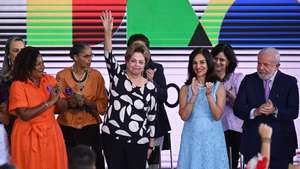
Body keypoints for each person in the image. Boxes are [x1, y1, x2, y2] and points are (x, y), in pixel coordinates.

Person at [101, 11, 157, 169]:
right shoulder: (118, 77)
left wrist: (151, 145)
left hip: (139, 142)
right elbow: (108, 55)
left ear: (145, 63)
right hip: (112, 139)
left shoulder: (150, 87)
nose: (137, 64)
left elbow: (151, 118)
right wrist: (107, 32)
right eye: (133, 60)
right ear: (127, 61)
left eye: (141, 61)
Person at [234, 47, 299, 169]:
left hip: (282, 144)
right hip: (253, 142)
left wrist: (275, 110)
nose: (260, 68)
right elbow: (238, 108)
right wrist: (255, 111)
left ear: (277, 66)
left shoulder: (289, 82)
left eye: (265, 64)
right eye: (258, 63)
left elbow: (293, 112)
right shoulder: (248, 80)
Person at [8, 46, 68, 169]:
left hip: (51, 133)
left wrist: (59, 99)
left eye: (43, 63)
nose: (43, 67)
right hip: (27, 136)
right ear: (28, 68)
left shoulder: (49, 80)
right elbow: (24, 115)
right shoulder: (18, 86)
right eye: (38, 64)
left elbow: (61, 108)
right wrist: (49, 102)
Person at [122, 34, 171, 169]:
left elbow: (163, 97)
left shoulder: (157, 68)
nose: (140, 51)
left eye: (143, 48)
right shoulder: (121, 70)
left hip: (155, 127)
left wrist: (152, 82)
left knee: (153, 166)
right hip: (128, 127)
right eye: (135, 47)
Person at [56, 43, 108, 169]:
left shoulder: (97, 76)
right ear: (75, 57)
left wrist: (87, 102)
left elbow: (103, 105)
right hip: (67, 127)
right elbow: (56, 104)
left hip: (90, 126)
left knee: (96, 160)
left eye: (91, 56)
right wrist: (70, 102)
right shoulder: (62, 75)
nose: (90, 59)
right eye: (86, 56)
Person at [177, 47, 228, 169]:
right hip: (191, 139)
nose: (198, 66)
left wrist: (209, 95)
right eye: (194, 63)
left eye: (202, 62)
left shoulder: (219, 86)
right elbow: (184, 116)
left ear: (209, 63)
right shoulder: (185, 88)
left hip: (212, 140)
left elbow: (217, 116)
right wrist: (194, 96)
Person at [211, 43, 244, 169]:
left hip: (233, 129)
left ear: (229, 62)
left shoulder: (237, 78)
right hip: (213, 128)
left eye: (222, 60)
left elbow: (242, 107)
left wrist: (229, 95)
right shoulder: (207, 80)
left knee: (230, 164)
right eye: (215, 58)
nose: (217, 62)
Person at [0, 36, 25, 166]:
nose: (20, 55)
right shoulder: (1, 79)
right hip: (7, 130)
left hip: (30, 130)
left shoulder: (37, 77)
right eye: (16, 51)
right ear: (8, 55)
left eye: (23, 51)